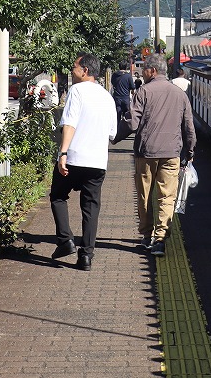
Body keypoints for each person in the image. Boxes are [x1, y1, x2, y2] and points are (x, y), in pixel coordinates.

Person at [50, 52, 117, 271]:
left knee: (58, 196)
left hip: (75, 157)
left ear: (85, 70)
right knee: (90, 208)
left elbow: (69, 123)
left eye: (74, 67)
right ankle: (86, 256)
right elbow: (112, 133)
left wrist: (63, 153)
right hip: (98, 162)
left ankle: (65, 240)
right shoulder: (107, 97)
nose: (72, 70)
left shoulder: (76, 90)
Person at [130, 54, 196, 256]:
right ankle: (160, 239)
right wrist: (190, 151)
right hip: (171, 154)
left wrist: (114, 137)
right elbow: (189, 128)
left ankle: (146, 235)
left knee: (145, 195)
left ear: (152, 71)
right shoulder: (180, 94)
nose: (142, 73)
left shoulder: (143, 92)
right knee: (167, 196)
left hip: (146, 153)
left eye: (144, 70)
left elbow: (132, 122)